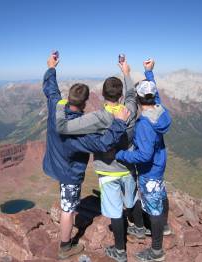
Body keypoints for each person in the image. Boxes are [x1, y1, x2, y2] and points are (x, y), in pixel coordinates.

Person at [42, 53, 130, 260]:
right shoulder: (81, 130)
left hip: (54, 164)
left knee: (67, 202)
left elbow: (50, 89)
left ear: (69, 97)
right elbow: (103, 143)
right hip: (70, 174)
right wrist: (119, 122)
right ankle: (65, 247)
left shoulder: (56, 106)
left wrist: (51, 68)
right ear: (85, 102)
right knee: (68, 209)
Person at [115, 59, 172, 262]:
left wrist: (121, 155)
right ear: (152, 97)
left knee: (154, 209)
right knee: (161, 196)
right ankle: (164, 226)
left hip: (149, 170)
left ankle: (156, 251)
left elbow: (144, 155)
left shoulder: (145, 125)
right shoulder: (160, 112)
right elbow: (154, 94)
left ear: (138, 100)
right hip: (159, 164)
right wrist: (149, 73)